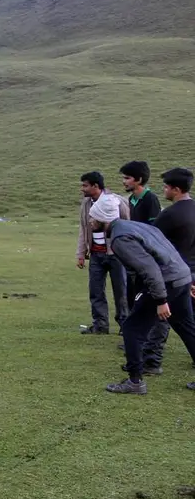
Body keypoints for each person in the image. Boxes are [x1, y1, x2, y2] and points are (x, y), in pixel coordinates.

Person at [87, 193, 195, 395]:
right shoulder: (136, 226)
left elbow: (149, 269)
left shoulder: (120, 238)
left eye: (93, 217)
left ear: (102, 218)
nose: (90, 220)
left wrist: (161, 300)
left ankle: (135, 382)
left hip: (165, 282)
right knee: (186, 326)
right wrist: (185, 280)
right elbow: (168, 250)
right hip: (180, 276)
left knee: (132, 328)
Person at [126, 168, 195, 375]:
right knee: (186, 323)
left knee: (159, 317)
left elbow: (150, 242)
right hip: (190, 274)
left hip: (170, 275)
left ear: (176, 189)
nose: (163, 190)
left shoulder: (170, 215)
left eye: (166, 187)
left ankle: (151, 361)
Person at [76, 171, 130, 334]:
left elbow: (127, 225)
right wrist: (81, 253)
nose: (82, 189)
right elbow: (83, 228)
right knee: (95, 290)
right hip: (95, 254)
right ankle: (100, 325)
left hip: (116, 254)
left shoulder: (117, 202)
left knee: (121, 291)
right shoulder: (86, 203)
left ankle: (125, 325)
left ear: (96, 186)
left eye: (85, 185)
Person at [121, 161, 161, 311]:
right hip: (134, 253)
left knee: (145, 294)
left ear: (138, 180)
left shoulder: (150, 199)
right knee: (132, 293)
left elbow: (154, 230)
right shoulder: (131, 199)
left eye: (127, 178)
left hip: (145, 255)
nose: (123, 181)